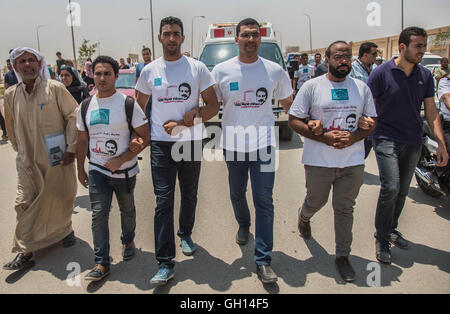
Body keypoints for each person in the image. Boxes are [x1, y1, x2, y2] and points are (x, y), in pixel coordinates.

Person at [134, 16, 219, 285]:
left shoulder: (197, 68)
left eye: (176, 34)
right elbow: (138, 110)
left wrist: (185, 122)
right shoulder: (149, 71)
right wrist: (139, 139)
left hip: (190, 142)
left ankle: (185, 233)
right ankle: (165, 262)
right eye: (167, 33)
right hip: (161, 144)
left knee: (190, 194)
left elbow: (213, 107)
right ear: (159, 38)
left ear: (183, 38)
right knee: (163, 201)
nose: (171, 38)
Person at [211, 18, 293, 284]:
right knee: (237, 193)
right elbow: (212, 105)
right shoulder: (221, 71)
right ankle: (244, 223)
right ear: (236, 39)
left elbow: (290, 104)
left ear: (260, 38)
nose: (250, 39)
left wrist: (315, 124)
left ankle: (263, 260)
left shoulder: (274, 71)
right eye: (245, 35)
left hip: (264, 146)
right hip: (233, 145)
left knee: (264, 200)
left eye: (255, 35)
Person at [288, 41, 377, 282]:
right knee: (315, 201)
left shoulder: (361, 88)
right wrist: (320, 134)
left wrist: (356, 136)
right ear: (327, 59)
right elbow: (294, 120)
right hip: (319, 161)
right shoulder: (311, 87)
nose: (344, 60)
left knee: (344, 208)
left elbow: (371, 121)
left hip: (352, 161)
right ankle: (304, 217)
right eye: (338, 56)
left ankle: (342, 256)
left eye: (347, 56)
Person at [367, 27, 448, 264]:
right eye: (418, 46)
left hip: (413, 140)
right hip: (385, 138)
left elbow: (431, 112)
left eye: (424, 46)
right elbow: (368, 106)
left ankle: (391, 228)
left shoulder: (425, 75)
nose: (423, 50)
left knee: (402, 190)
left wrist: (440, 144)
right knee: (390, 187)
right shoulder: (381, 73)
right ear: (402, 47)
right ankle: (381, 238)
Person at [2, 47, 78, 271]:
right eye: (22, 62)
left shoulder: (54, 89)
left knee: (60, 197)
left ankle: (64, 230)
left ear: (39, 64)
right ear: (15, 67)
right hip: (26, 161)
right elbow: (10, 125)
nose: (27, 65)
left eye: (31, 60)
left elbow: (73, 116)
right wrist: (19, 149)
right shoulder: (10, 95)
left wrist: (71, 148)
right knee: (23, 202)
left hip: (56, 159)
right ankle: (25, 250)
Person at [76, 55, 150, 281]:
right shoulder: (86, 105)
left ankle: (128, 239)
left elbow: (145, 137)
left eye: (107, 73)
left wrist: (123, 158)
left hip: (125, 172)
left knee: (127, 209)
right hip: (97, 169)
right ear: (92, 76)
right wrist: (81, 168)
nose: (102, 78)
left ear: (116, 76)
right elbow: (81, 140)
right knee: (99, 214)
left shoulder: (128, 104)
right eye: (98, 73)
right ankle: (101, 262)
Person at [349, 42, 378, 159]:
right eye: (374, 54)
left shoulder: (375, 69)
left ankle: (357, 162)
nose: (376, 57)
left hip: (372, 111)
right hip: (357, 112)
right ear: (365, 55)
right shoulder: (352, 69)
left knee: (369, 140)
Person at [136, 48, 153, 125]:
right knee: (145, 118)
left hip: (154, 97)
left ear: (150, 54)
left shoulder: (155, 65)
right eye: (144, 54)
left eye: (147, 54)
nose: (146, 56)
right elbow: (137, 82)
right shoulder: (139, 66)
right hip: (144, 97)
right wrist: (136, 95)